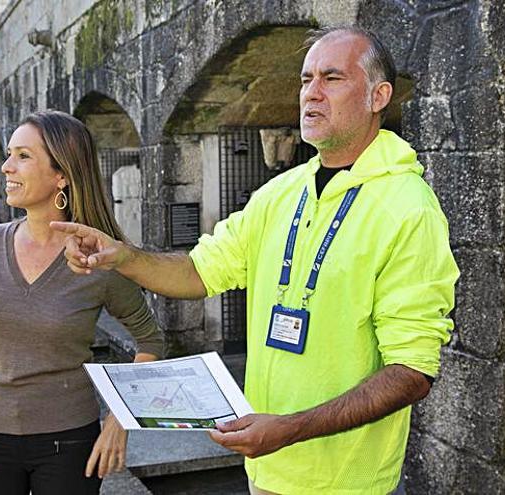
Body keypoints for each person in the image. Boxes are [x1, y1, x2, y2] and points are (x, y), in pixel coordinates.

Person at [52, 26, 459, 495]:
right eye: (306, 80)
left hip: (346, 482)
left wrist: (289, 429)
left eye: (332, 79)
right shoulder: (281, 193)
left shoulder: (409, 208)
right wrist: (122, 256)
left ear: (377, 96)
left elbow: (410, 372)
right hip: (265, 471)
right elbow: (198, 271)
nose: (311, 94)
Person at [0, 110, 164, 494]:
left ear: (61, 175)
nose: (6, 168)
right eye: (9, 155)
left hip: (68, 444)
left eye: (23, 156)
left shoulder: (98, 257)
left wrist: (119, 420)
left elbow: (150, 339)